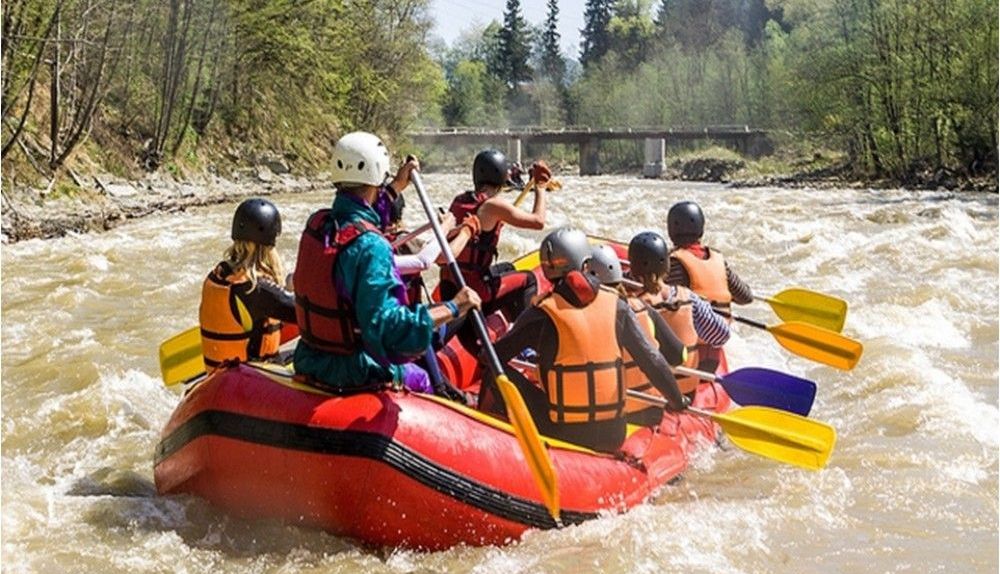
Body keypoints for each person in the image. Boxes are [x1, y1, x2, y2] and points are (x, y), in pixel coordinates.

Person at [292, 131, 481, 394]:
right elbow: (389, 329)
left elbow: (361, 213)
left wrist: (397, 186)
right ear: (378, 177)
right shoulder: (372, 246)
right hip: (352, 369)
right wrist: (453, 306)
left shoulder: (318, 223)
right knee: (422, 380)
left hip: (308, 358)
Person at [480, 228, 688, 453]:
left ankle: (483, 429)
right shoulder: (617, 306)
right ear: (586, 264)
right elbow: (652, 360)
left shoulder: (541, 313)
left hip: (562, 432)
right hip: (614, 434)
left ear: (547, 270)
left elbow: (491, 358)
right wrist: (677, 401)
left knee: (494, 372)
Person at [439, 149, 549, 332]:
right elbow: (538, 221)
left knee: (507, 268)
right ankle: (522, 335)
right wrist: (541, 186)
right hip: (473, 290)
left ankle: (501, 322)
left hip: (449, 287)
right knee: (528, 279)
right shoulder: (493, 205)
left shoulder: (460, 200)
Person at [585, 244, 687, 427]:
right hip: (652, 410)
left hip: (609, 417)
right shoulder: (641, 308)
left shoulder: (582, 318)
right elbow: (678, 356)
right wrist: (677, 399)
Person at [199, 198, 297, 372]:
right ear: (268, 245)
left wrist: (286, 290)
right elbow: (307, 314)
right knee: (307, 355)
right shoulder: (255, 289)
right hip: (251, 379)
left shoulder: (219, 275)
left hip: (222, 378)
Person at [628, 231, 730, 388]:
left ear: (633, 269)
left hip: (653, 393)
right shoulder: (688, 298)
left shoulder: (632, 308)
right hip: (688, 390)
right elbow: (721, 336)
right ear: (666, 266)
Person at [665, 201, 750, 371]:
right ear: (700, 228)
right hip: (717, 342)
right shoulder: (718, 260)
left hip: (690, 348)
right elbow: (746, 296)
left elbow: (655, 296)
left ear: (671, 231)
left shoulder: (673, 263)